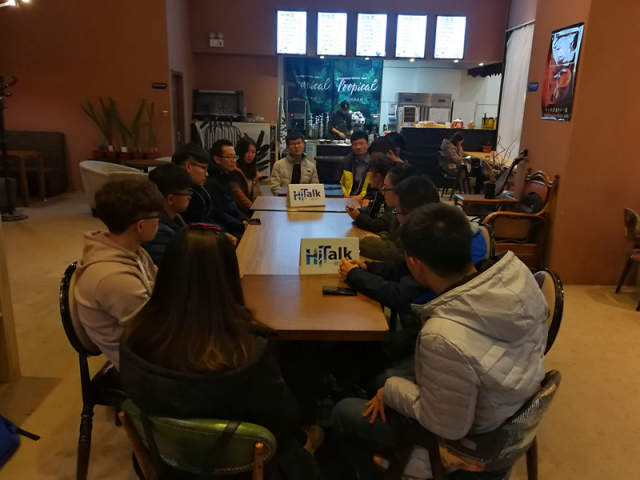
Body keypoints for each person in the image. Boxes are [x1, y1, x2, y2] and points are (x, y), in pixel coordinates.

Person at [331, 203, 548, 480]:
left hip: (463, 450)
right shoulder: (518, 278)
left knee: (344, 412)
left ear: (414, 265)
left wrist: (391, 391)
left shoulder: (442, 335)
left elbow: (446, 426)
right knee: (381, 371)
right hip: (507, 413)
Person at [119, 226, 321, 480]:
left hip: (168, 464)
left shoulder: (133, 339)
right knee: (311, 435)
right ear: (229, 276)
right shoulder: (247, 352)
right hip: (243, 471)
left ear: (167, 271)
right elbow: (284, 420)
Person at [340, 177, 489, 388]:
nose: (396, 219)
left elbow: (402, 297)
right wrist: (368, 268)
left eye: (397, 213)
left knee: (363, 367)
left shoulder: (443, 335)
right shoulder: (453, 235)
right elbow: (403, 267)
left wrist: (355, 275)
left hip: (426, 333)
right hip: (430, 327)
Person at [74, 178, 164, 369]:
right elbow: (154, 333)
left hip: (147, 346)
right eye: (157, 216)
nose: (159, 221)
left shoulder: (133, 251)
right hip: (142, 366)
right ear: (141, 226)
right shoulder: (114, 278)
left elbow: (160, 287)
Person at [359, 164, 415, 260]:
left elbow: (398, 253)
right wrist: (380, 237)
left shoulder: (415, 218)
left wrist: (364, 241)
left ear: (399, 190)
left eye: (385, 187)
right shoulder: (400, 212)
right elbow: (393, 235)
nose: (383, 191)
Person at [142, 163, 193, 266]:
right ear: (171, 199)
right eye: (188, 192)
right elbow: (172, 268)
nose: (190, 197)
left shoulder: (175, 219)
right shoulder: (157, 232)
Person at [206, 139, 246, 239]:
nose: (233, 160)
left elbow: (232, 205)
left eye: (234, 157)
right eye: (229, 157)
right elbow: (218, 215)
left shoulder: (226, 177)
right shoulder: (212, 182)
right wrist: (242, 225)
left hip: (233, 224)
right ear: (217, 159)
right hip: (223, 230)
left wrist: (244, 220)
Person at [345, 155, 395, 233]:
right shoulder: (379, 193)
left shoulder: (391, 196)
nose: (368, 176)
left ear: (377, 176)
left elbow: (381, 226)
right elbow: (371, 209)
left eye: (370, 172)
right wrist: (357, 211)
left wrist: (358, 217)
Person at [231, 136, 263, 216]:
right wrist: (255, 210)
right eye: (247, 151)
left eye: (253, 152)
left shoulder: (253, 171)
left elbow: (258, 192)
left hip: (251, 211)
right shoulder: (233, 171)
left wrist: (266, 205)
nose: (250, 155)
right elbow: (239, 197)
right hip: (239, 213)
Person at [340, 131, 371, 201]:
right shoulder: (346, 161)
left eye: (361, 143)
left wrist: (361, 196)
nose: (358, 147)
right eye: (355, 144)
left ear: (367, 145)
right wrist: (344, 193)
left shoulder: (374, 163)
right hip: (346, 198)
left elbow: (375, 187)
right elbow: (338, 182)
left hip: (366, 200)